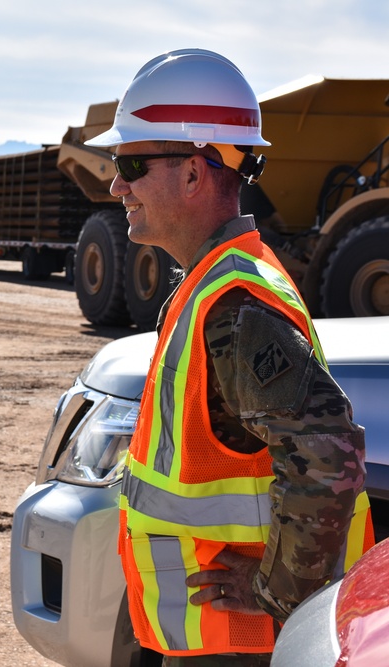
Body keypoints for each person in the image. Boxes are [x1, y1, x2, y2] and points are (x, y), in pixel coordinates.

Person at [85, 50, 374, 665]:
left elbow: (328, 454)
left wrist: (277, 589)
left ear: (193, 173)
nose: (117, 185)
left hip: (236, 645)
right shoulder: (217, 285)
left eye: (131, 164)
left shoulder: (235, 304)